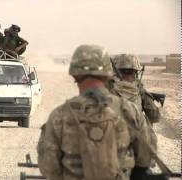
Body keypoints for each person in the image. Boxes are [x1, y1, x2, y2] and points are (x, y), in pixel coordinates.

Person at [37, 45, 152, 180]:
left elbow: (49, 168)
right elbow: (145, 158)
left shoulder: (59, 116)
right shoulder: (130, 111)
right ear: (108, 74)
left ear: (74, 74)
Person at [108, 54, 160, 179]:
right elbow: (155, 116)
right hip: (139, 151)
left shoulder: (106, 89)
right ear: (136, 72)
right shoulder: (138, 89)